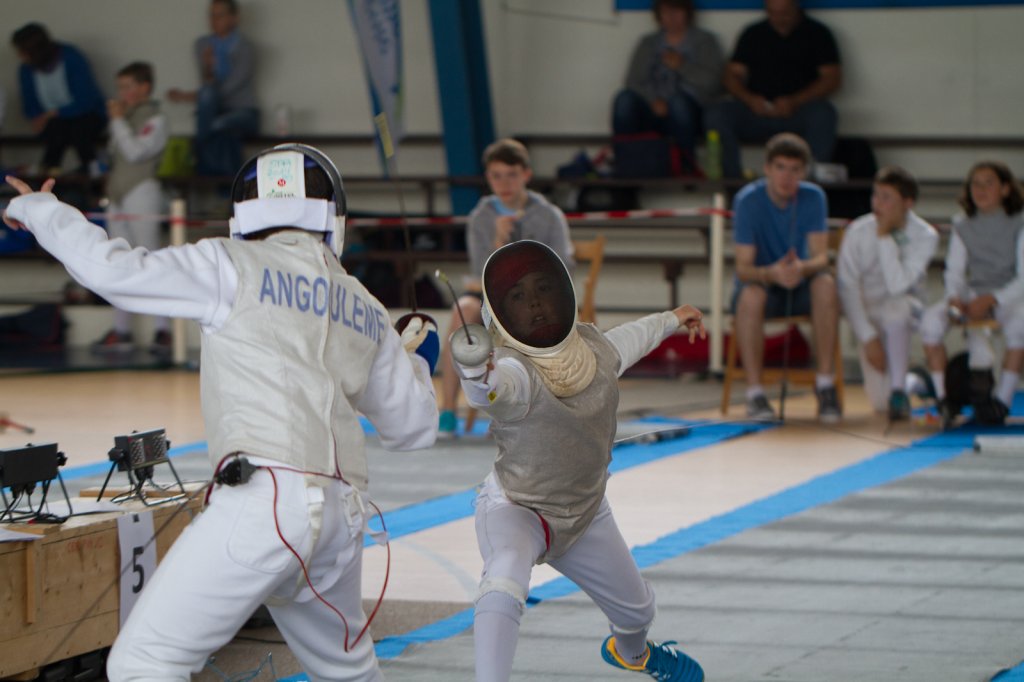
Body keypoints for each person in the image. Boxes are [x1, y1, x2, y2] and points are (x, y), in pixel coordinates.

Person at [3, 143, 440, 680]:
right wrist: (418, 363)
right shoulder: (366, 306)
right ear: (333, 215)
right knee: (349, 673)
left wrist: (39, 210)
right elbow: (413, 428)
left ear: (245, 211)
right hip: (341, 520)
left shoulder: (228, 264)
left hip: (266, 505)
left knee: (145, 662)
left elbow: (112, 270)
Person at [448, 239, 706, 682]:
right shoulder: (513, 371)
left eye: (543, 288)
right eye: (518, 296)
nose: (534, 302)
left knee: (638, 611)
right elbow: (494, 391)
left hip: (585, 512)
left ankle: (633, 654)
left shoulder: (593, 347)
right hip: (518, 509)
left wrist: (671, 318)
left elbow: (628, 339)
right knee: (505, 575)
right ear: (501, 316)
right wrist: (476, 372)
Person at [437, 138, 574, 438]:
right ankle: (447, 410)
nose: (504, 183)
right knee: (462, 312)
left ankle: (515, 411)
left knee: (524, 314)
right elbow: (479, 271)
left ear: (526, 174)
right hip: (491, 294)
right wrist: (498, 242)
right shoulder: (481, 217)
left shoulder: (548, 215)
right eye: (497, 176)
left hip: (536, 295)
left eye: (511, 175)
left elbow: (563, 265)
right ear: (488, 178)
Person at [731, 132, 840, 422]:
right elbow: (743, 268)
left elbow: (821, 258)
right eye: (780, 167)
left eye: (794, 169)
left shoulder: (814, 197)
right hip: (763, 284)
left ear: (803, 172)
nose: (787, 177)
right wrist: (772, 273)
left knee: (826, 285)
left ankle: (825, 384)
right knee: (750, 296)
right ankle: (755, 393)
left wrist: (800, 268)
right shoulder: (747, 201)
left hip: (799, 283)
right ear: (767, 168)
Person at [920, 161, 1024, 426]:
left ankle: (1002, 401)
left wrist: (992, 299)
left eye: (989, 183)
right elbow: (954, 270)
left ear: (1005, 189)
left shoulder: (1020, 221)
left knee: (1019, 326)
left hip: (1010, 295)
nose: (981, 189)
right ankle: (944, 399)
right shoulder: (962, 224)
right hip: (974, 292)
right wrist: (955, 298)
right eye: (976, 184)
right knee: (931, 322)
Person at [837, 166, 938, 420]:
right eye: (876, 195)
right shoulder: (857, 232)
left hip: (906, 310)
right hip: (869, 315)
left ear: (907, 203)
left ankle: (899, 390)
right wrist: (868, 337)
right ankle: (915, 381)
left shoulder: (925, 235)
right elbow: (847, 287)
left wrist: (884, 238)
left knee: (897, 306)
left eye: (886, 197)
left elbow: (897, 286)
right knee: (880, 403)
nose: (877, 204)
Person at [704, 0, 841, 179]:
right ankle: (732, 181)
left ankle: (808, 182)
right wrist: (750, 99)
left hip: (798, 113)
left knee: (824, 113)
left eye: (784, 13)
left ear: (796, 7)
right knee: (718, 114)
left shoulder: (818, 33)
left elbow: (831, 79)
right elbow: (731, 76)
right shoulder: (753, 33)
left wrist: (795, 101)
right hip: (756, 113)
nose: (779, 18)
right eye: (773, 13)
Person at [91, 61, 171, 356]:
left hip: (143, 191)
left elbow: (136, 151)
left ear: (144, 87)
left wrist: (117, 121)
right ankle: (121, 330)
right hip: (118, 194)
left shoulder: (156, 119)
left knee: (151, 259)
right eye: (120, 87)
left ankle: (163, 330)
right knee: (118, 261)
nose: (121, 93)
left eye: (127, 87)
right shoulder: (124, 118)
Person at [611, 0, 724, 174]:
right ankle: (625, 166)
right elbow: (633, 81)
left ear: (687, 13)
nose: (671, 17)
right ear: (658, 15)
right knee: (623, 100)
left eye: (677, 11)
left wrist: (682, 66)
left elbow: (713, 83)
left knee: (678, 104)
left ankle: (686, 166)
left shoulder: (705, 41)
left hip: (691, 111)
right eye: (666, 12)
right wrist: (653, 101)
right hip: (652, 108)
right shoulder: (648, 43)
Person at [168, 0, 259, 176]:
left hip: (243, 113)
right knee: (222, 132)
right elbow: (208, 87)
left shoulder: (246, 47)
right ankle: (228, 186)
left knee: (215, 125)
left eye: (220, 15)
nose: (214, 20)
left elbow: (229, 88)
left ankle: (203, 166)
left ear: (234, 18)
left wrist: (188, 96)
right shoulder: (203, 45)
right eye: (211, 15)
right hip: (214, 111)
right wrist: (208, 67)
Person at [10, 22, 107, 175]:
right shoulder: (26, 70)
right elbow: (30, 104)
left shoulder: (71, 57)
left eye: (22, 51)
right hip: (54, 123)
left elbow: (86, 100)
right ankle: (49, 172)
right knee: (57, 132)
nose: (20, 56)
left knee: (78, 131)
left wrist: (53, 113)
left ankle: (90, 170)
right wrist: (37, 117)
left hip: (85, 116)